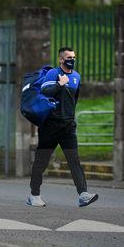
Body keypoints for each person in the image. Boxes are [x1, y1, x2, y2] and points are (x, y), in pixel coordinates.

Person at [26, 47, 99, 207]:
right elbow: (45, 91)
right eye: (68, 57)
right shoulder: (53, 73)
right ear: (61, 60)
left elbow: (75, 99)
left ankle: (83, 194)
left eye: (73, 57)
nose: (71, 60)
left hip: (67, 127)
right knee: (41, 161)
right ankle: (34, 195)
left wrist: (69, 117)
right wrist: (60, 84)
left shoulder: (76, 77)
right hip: (50, 126)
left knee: (74, 161)